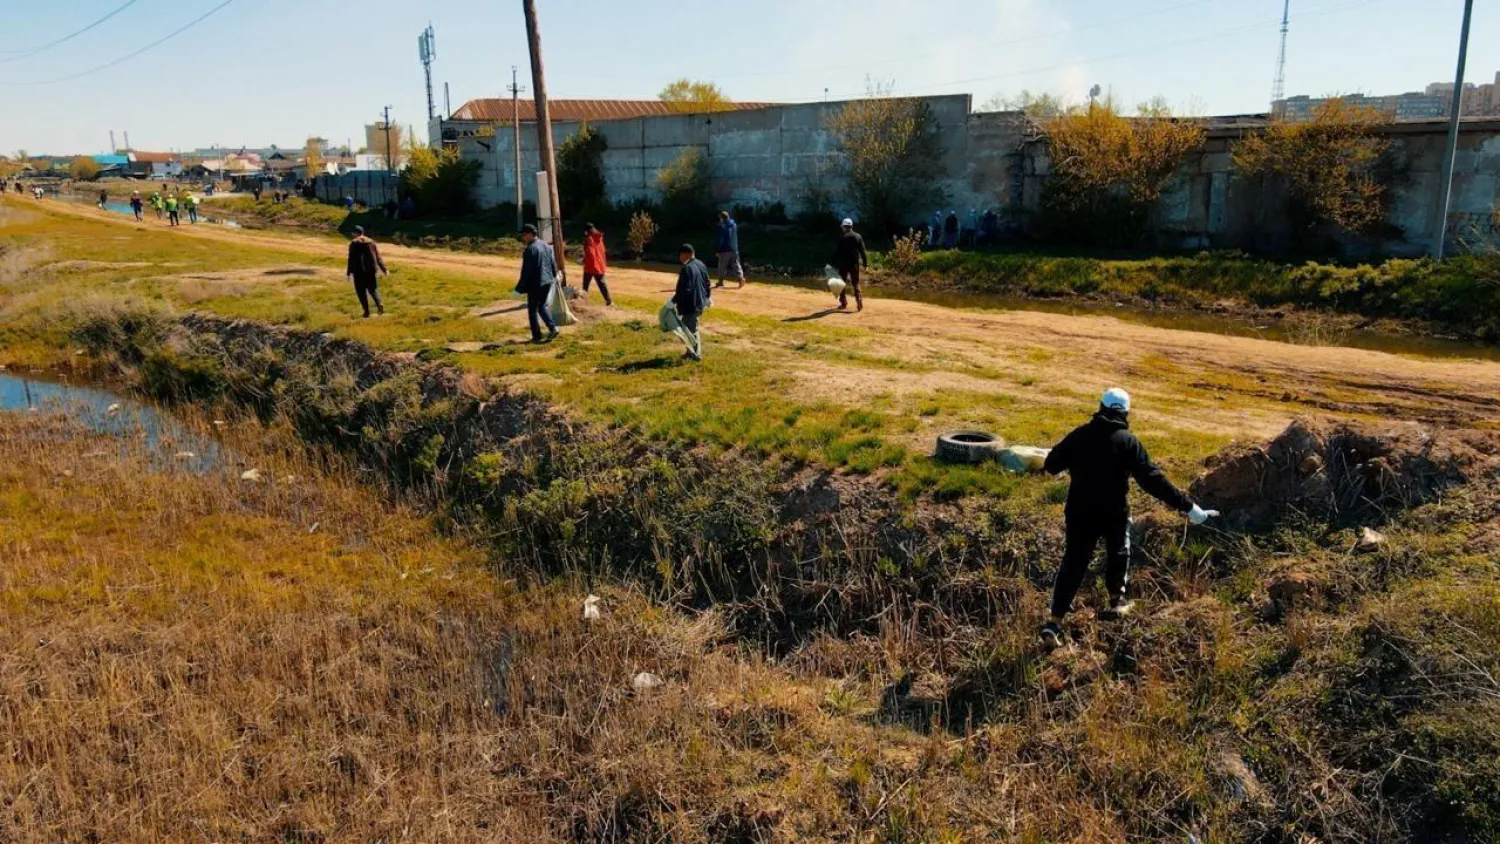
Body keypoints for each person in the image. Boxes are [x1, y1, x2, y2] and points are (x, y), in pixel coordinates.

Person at [1038, 388, 1220, 649]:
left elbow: (1052, 464)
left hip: (1079, 512)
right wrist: (1189, 508)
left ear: (1100, 407)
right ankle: (1117, 603)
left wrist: (1070, 458)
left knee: (1074, 562)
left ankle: (1054, 622)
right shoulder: (1127, 442)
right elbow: (1153, 480)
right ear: (1125, 413)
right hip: (1114, 512)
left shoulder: (1080, 435)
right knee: (1118, 553)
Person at [515, 223, 559, 343]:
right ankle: (553, 328)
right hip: (548, 281)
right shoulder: (545, 245)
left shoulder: (530, 249)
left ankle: (537, 336)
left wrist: (519, 288)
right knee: (541, 306)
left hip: (536, 284)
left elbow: (526, 271)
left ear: (529, 234)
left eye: (524, 235)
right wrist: (554, 276)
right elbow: (552, 263)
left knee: (532, 310)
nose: (523, 238)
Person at [672, 243, 711, 361]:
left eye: (680, 255)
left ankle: (695, 354)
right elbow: (707, 283)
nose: (680, 258)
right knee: (691, 326)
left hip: (691, 303)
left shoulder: (687, 268)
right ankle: (691, 352)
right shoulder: (701, 264)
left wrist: (675, 301)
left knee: (688, 329)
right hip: (700, 302)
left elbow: (684, 289)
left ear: (686, 254)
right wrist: (707, 298)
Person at [345, 225, 388, 318]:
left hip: (358, 271)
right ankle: (379, 303)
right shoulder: (371, 242)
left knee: (361, 292)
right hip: (371, 270)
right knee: (373, 289)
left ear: (355, 233)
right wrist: (384, 269)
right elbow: (378, 257)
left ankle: (366, 312)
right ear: (362, 232)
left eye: (353, 233)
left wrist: (349, 272)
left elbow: (351, 259)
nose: (352, 234)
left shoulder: (354, 242)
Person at [830, 218, 869, 312]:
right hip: (854, 264)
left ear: (844, 227)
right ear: (851, 226)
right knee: (855, 282)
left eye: (842, 227)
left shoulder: (842, 237)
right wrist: (865, 264)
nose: (842, 228)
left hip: (843, 264)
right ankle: (859, 299)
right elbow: (863, 251)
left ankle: (843, 303)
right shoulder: (858, 236)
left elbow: (837, 252)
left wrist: (832, 263)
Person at [580, 222, 612, 306]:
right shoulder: (599, 238)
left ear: (587, 231)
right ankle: (609, 301)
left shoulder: (589, 239)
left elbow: (590, 253)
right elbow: (603, 251)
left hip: (590, 265)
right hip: (599, 265)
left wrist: (583, 260)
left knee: (585, 285)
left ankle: (583, 302)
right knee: (602, 284)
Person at [713, 210, 744, 289]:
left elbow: (721, 239)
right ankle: (740, 278)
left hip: (725, 249)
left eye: (720, 218)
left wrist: (718, 250)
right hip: (734, 248)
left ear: (722, 218)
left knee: (722, 266)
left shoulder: (723, 226)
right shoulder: (734, 224)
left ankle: (720, 282)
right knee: (736, 264)